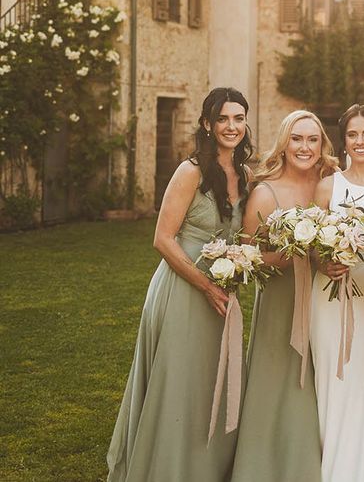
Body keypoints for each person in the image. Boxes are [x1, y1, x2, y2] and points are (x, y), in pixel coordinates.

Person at [107, 87, 252, 482]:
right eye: (222, 118)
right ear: (207, 124)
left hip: (223, 293)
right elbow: (163, 238)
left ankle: (204, 470)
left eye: (238, 118)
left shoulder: (246, 176)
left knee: (211, 382)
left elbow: (246, 239)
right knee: (179, 382)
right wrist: (205, 285)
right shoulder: (190, 171)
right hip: (182, 291)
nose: (231, 126)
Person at [230, 110, 337, 482]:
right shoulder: (266, 192)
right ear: (284, 143)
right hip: (280, 302)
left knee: (320, 383)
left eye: (312, 139)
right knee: (279, 383)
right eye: (297, 139)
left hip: (326, 300)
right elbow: (247, 255)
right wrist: (293, 254)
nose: (304, 147)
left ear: (322, 145)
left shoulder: (332, 184)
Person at [309, 104, 364, 482]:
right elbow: (311, 244)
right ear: (343, 140)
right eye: (352, 135)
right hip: (332, 301)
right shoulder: (329, 185)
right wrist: (322, 263)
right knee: (337, 382)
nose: (360, 142)